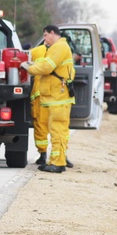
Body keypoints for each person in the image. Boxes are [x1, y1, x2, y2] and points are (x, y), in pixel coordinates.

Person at [21, 25, 75, 173]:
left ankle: (57, 163)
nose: (44, 39)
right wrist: (34, 64)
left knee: (57, 130)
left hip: (59, 98)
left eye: (45, 35)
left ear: (52, 33)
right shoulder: (58, 47)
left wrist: (28, 68)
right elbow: (48, 65)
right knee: (58, 130)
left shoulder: (59, 47)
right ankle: (55, 161)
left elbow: (47, 67)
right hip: (56, 98)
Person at [28, 44, 49, 166]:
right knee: (58, 127)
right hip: (56, 95)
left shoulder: (36, 51)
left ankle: (43, 154)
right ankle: (62, 155)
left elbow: (24, 57)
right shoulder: (62, 51)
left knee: (40, 125)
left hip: (39, 94)